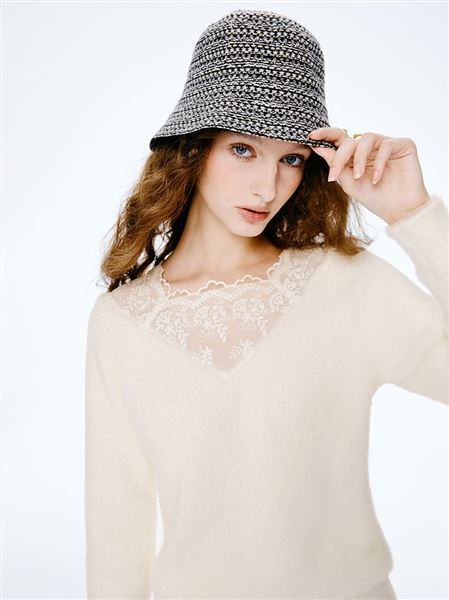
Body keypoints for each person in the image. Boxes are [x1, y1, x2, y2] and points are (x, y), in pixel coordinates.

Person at [84, 9, 448, 600]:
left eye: (291, 158)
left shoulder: (346, 285)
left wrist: (415, 215)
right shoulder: (122, 322)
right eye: (243, 149)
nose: (267, 186)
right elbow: (115, 529)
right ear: (194, 148)